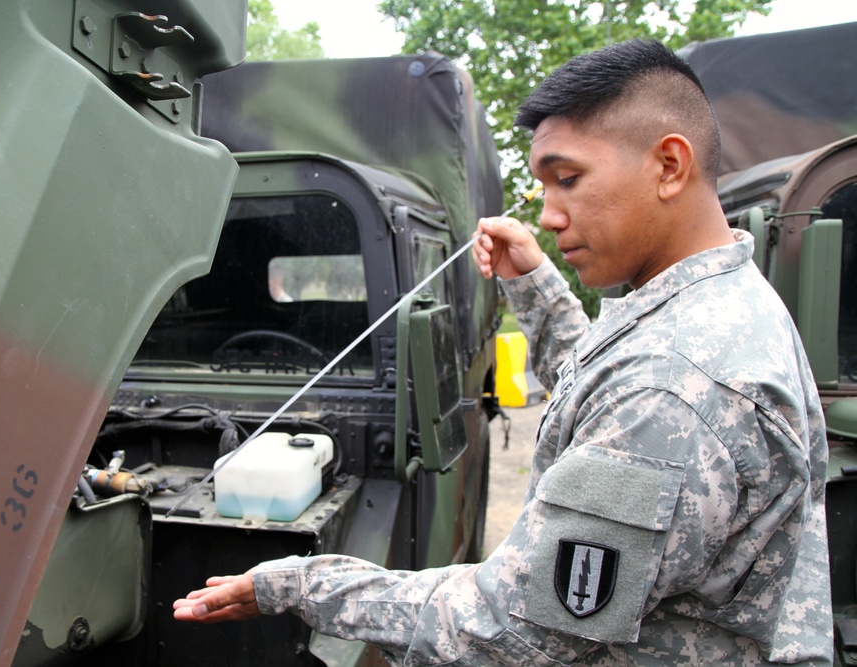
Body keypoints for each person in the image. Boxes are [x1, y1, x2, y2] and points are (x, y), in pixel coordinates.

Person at [173, 39, 833, 665]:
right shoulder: (715, 307)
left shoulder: (675, 385)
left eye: (567, 178)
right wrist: (533, 283)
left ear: (668, 165)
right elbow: (602, 386)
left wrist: (295, 585)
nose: (547, 214)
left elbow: (511, 628)